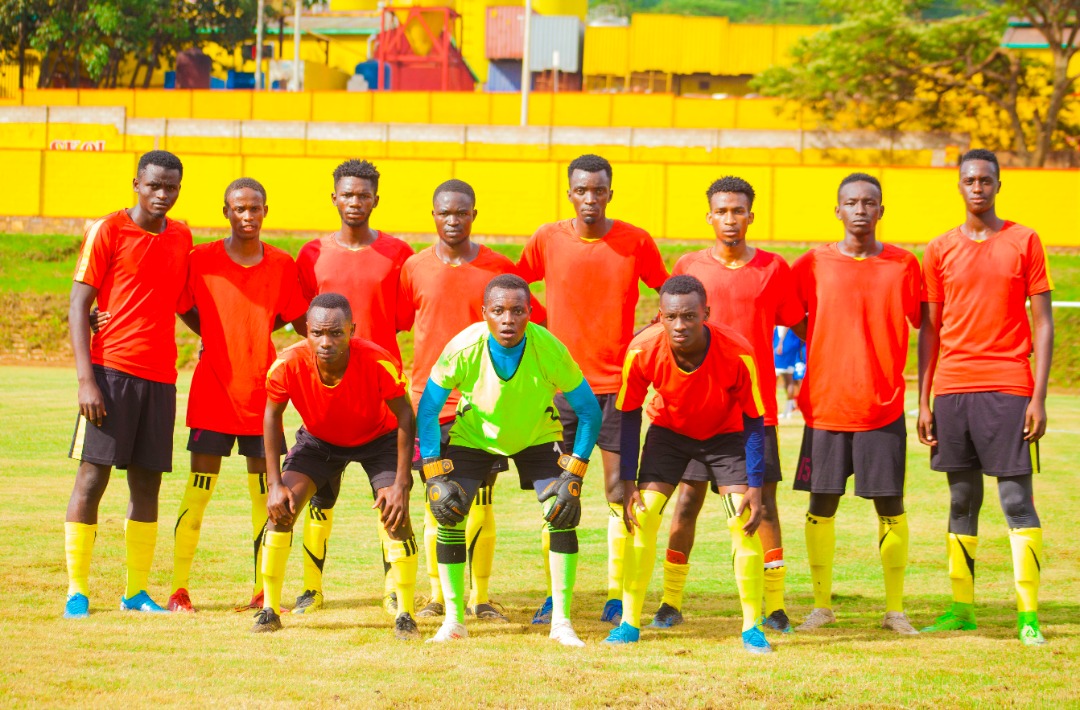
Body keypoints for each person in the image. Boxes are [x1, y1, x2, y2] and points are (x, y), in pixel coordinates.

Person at [517, 154, 669, 625]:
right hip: (561, 388)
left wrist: (649, 333)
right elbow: (515, 288)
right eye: (581, 190)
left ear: (609, 193)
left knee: (619, 491)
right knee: (558, 492)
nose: (589, 198)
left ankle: (616, 595)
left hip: (618, 389)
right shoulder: (547, 238)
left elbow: (669, 294)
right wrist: (543, 325)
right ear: (569, 193)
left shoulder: (635, 241)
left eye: (598, 190)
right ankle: (554, 594)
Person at [650, 176, 803, 634]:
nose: (730, 219)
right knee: (686, 503)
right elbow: (667, 328)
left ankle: (775, 606)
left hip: (754, 412)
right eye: (722, 211)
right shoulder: (689, 266)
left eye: (738, 210)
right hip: (696, 412)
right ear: (709, 216)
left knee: (763, 507)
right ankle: (670, 602)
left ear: (751, 216)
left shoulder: (774, 268)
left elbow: (798, 323)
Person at [416, 274, 601, 645]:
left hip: (537, 435)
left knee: (562, 511)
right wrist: (434, 472)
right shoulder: (462, 348)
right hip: (475, 437)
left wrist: (575, 470)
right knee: (448, 512)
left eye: (518, 311)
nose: (508, 319)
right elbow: (429, 408)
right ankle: (453, 621)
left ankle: (561, 622)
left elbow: (589, 412)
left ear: (530, 312)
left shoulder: (549, 349)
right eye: (498, 310)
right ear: (484, 312)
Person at [917, 149, 1054, 646]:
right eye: (970, 180)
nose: (978, 187)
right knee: (961, 499)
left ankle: (1028, 616)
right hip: (953, 389)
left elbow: (1043, 322)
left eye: (986, 180)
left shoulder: (1024, 240)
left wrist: (1038, 397)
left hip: (1009, 386)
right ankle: (962, 609)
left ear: (998, 185)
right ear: (959, 186)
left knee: (1015, 499)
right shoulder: (939, 249)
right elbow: (930, 331)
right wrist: (924, 400)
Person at [399, 179, 546, 621]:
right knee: (437, 502)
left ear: (474, 215)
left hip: (482, 408)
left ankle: (480, 598)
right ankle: (438, 596)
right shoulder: (414, 267)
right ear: (433, 215)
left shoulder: (498, 268)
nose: (453, 220)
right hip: (430, 405)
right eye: (445, 212)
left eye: (461, 212)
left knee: (481, 501)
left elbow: (531, 326)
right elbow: (402, 322)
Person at [165, 178, 307, 613]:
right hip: (213, 392)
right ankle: (179, 590)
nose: (247, 216)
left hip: (262, 396)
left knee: (266, 496)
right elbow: (182, 306)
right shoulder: (201, 259)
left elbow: (294, 318)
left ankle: (264, 592)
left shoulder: (282, 264)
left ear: (266, 211)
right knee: (198, 492)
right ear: (225, 211)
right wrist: (211, 334)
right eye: (239, 208)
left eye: (254, 208)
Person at [609, 275, 771, 653]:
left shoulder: (737, 352)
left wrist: (755, 484)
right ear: (660, 316)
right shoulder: (642, 349)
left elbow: (754, 419)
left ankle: (752, 627)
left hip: (726, 435)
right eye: (671, 317)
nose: (679, 325)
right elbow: (628, 414)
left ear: (706, 314)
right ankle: (629, 623)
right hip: (669, 433)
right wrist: (628, 480)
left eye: (689, 316)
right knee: (644, 518)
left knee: (741, 523)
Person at [791, 172, 922, 635]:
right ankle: (821, 607)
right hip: (825, 404)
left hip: (881, 405)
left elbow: (923, 321)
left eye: (869, 202)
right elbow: (793, 318)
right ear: (838, 210)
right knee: (822, 503)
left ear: (881, 211)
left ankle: (895, 611)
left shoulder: (904, 264)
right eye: (852, 202)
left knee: (890, 503)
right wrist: (826, 339)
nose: (860, 209)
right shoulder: (812, 264)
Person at [64, 150, 191, 618]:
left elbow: (183, 303)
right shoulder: (108, 229)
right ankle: (77, 591)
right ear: (136, 183)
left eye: (171, 187)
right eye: (154, 185)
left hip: (159, 378)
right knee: (92, 478)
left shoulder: (181, 236)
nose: (162, 194)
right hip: (110, 373)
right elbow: (78, 305)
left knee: (147, 485)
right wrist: (86, 381)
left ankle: (135, 592)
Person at [254, 293, 419, 639]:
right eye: (317, 333)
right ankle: (269, 610)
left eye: (336, 333)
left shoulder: (377, 361)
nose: (326, 342)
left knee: (395, 515)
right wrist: (274, 484)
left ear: (351, 330)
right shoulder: (287, 363)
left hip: (379, 440)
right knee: (281, 511)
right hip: (320, 441)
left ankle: (405, 613)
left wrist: (401, 483)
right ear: (306, 330)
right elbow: (271, 415)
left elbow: (405, 413)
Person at [293, 159, 414, 615]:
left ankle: (393, 589)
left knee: (390, 499)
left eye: (364, 195)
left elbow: (404, 317)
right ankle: (311, 589)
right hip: (326, 397)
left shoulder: (399, 253)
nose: (355, 202)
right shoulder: (312, 254)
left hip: (381, 399)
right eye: (347, 194)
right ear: (334, 198)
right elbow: (302, 321)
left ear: (376, 200)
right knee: (321, 495)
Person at [773, 326, 804, 419]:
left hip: (782, 347)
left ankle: (773, 410)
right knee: (789, 380)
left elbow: (786, 325)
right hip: (789, 347)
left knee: (774, 380)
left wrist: (780, 343)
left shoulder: (784, 325)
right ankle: (788, 410)